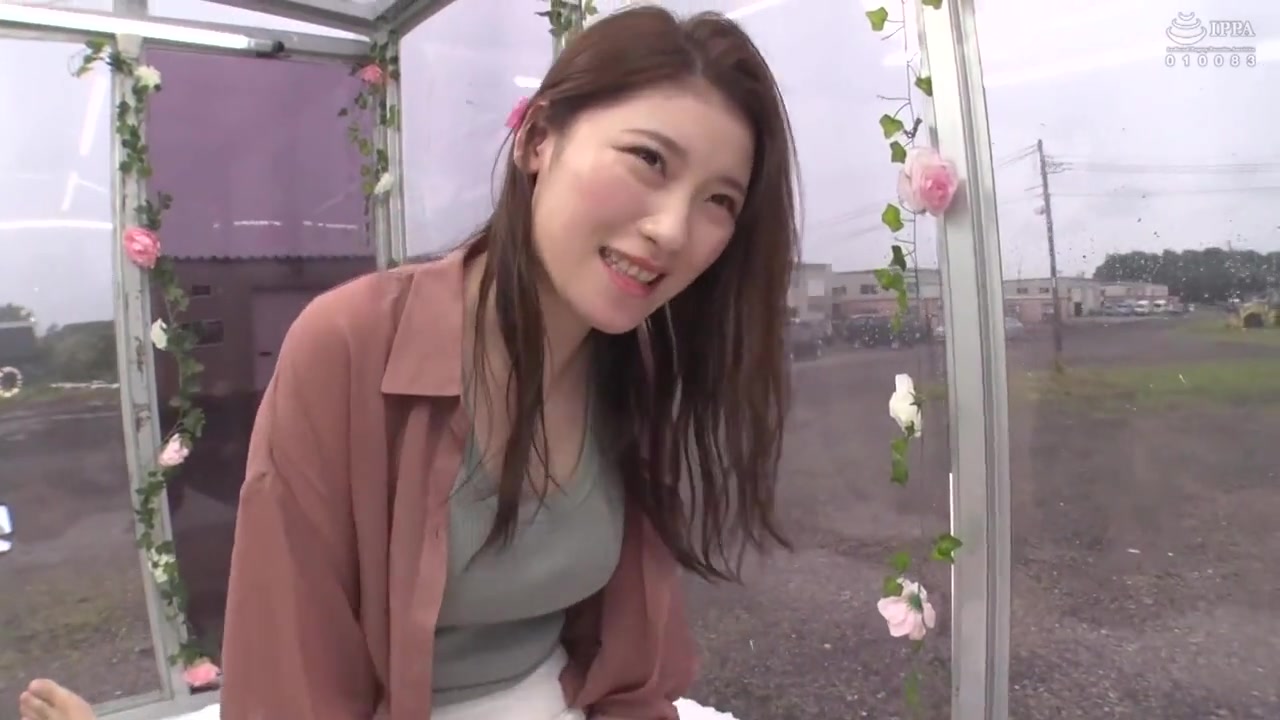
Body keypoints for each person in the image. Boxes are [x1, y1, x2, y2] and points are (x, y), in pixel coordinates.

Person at [18, 6, 798, 720]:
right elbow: (292, 680)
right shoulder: (350, 346)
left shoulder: (638, 370)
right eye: (649, 159)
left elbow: (630, 669)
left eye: (719, 201)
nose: (672, 229)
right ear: (538, 139)